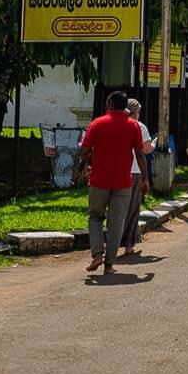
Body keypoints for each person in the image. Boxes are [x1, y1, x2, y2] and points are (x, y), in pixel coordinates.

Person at [78, 91, 149, 274]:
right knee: (116, 222)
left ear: (109, 103)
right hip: (123, 181)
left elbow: (85, 150)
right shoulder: (133, 126)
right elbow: (140, 154)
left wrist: (80, 167)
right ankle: (109, 264)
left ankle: (97, 254)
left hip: (99, 180)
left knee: (95, 216)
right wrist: (145, 179)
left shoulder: (97, 123)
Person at [119, 98, 157, 257]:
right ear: (136, 112)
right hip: (134, 171)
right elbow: (146, 150)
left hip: (117, 170)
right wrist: (155, 143)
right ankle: (129, 243)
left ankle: (120, 240)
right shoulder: (139, 127)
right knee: (133, 208)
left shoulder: (116, 125)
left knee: (119, 209)